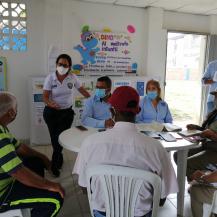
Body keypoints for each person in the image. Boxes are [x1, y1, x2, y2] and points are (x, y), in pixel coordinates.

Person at [73, 86, 178, 217]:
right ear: (138, 111)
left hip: (102, 213)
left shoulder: (90, 143)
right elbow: (162, 198)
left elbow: (84, 187)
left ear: (111, 110)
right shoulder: (156, 148)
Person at [0, 92, 64, 217]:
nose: (17, 112)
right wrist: (50, 185)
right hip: (3, 192)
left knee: (36, 161)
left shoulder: (2, 128)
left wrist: (43, 158)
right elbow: (18, 172)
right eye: (16, 109)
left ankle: (35, 197)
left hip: (8, 179)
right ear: (11, 112)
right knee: (55, 199)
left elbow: (20, 147)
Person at [43, 54, 90, 177]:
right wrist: (51, 103)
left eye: (65, 65)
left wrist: (94, 99)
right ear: (56, 65)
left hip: (66, 113)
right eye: (60, 64)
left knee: (60, 138)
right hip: (51, 113)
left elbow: (83, 91)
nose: (62, 67)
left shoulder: (72, 77)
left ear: (69, 67)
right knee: (55, 139)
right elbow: (45, 97)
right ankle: (57, 161)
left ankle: (55, 163)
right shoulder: (50, 78)